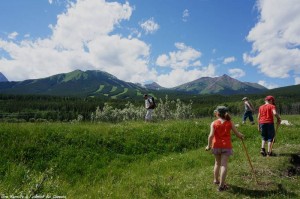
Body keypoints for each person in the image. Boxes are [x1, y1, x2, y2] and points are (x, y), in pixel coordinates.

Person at [205, 106, 244, 192]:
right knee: (223, 165)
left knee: (217, 163)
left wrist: (208, 146)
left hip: (216, 145)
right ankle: (221, 185)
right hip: (226, 146)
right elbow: (237, 133)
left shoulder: (214, 123)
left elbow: (210, 136)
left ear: (217, 114)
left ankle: (215, 180)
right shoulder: (230, 122)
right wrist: (241, 136)